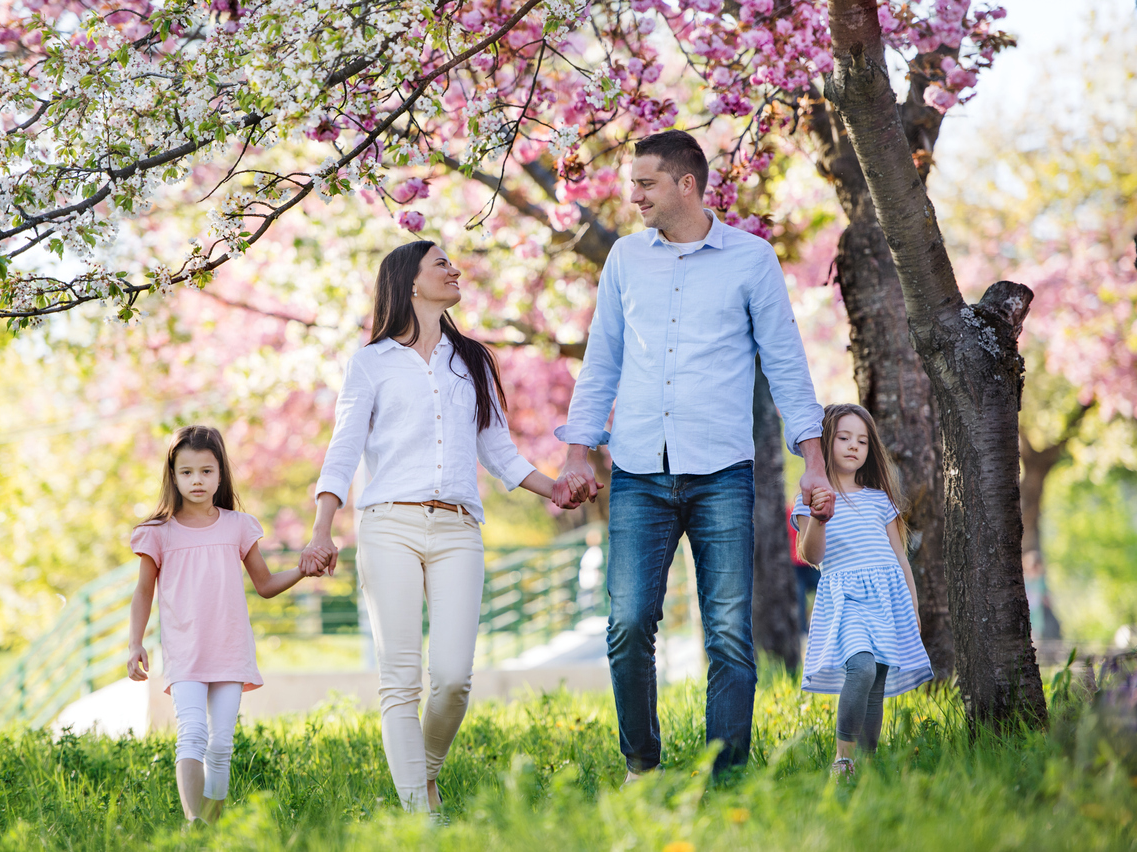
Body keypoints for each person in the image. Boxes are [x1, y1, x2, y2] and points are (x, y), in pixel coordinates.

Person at [552, 129, 833, 780]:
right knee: (627, 624)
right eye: (633, 184)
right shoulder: (625, 258)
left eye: (646, 183)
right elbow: (602, 361)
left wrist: (814, 460)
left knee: (729, 634)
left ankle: (725, 778)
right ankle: (641, 766)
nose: (634, 196)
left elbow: (786, 363)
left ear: (687, 184)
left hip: (722, 473)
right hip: (638, 472)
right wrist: (577, 453)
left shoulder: (752, 260)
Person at [300, 241, 586, 814]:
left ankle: (422, 772)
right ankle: (421, 817)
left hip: (458, 528)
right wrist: (322, 528)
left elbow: (498, 451)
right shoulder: (370, 362)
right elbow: (344, 450)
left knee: (453, 678)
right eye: (441, 264)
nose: (455, 270)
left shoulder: (473, 359)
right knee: (400, 679)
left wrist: (554, 487)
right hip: (389, 525)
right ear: (410, 281)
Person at [126, 425, 309, 825]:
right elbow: (143, 592)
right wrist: (134, 643)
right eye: (187, 472)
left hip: (230, 649)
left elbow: (265, 585)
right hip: (185, 652)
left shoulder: (238, 526)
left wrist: (302, 570)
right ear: (173, 476)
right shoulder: (158, 533)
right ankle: (195, 826)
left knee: (221, 745)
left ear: (221, 474)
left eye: (206, 471)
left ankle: (211, 830)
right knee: (192, 733)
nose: (197, 480)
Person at [792, 403, 933, 780]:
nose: (854, 446)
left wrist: (913, 606)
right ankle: (843, 758)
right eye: (844, 438)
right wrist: (819, 518)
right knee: (862, 667)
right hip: (846, 598)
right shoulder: (811, 496)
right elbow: (810, 555)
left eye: (862, 441)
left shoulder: (879, 498)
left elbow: (900, 557)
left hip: (887, 598)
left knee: (877, 679)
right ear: (825, 442)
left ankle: (869, 765)